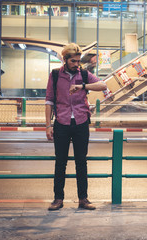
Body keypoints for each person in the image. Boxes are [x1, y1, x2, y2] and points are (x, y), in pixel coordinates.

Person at [45, 43, 107, 211]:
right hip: (61, 123)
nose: (76, 64)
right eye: (73, 61)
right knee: (60, 162)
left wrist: (83, 86)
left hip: (80, 122)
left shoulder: (85, 74)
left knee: (81, 162)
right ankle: (58, 199)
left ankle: (83, 199)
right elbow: (49, 100)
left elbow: (103, 85)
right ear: (65, 60)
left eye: (78, 61)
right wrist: (48, 125)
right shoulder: (56, 75)